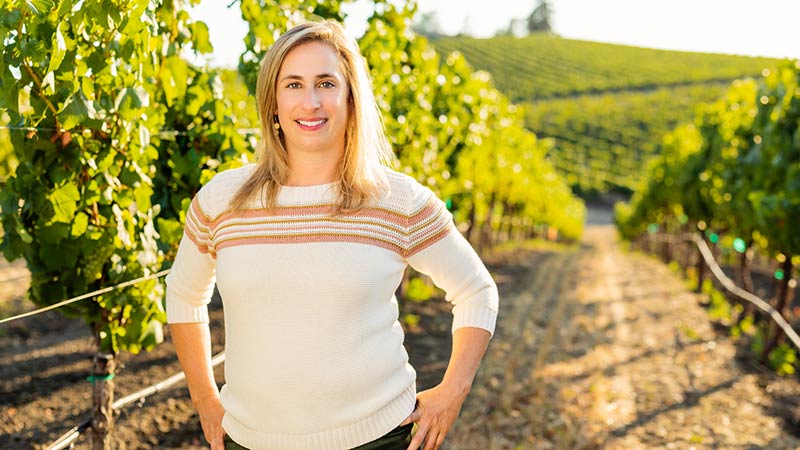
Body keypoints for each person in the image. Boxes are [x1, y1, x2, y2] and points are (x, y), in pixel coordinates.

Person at [166, 20, 498, 450]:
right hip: (248, 441)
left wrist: (453, 391)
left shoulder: (397, 200)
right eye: (293, 85)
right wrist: (204, 398)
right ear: (272, 102)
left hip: (376, 440)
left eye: (326, 83)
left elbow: (476, 289)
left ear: (350, 98)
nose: (310, 102)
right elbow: (183, 293)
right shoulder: (222, 200)